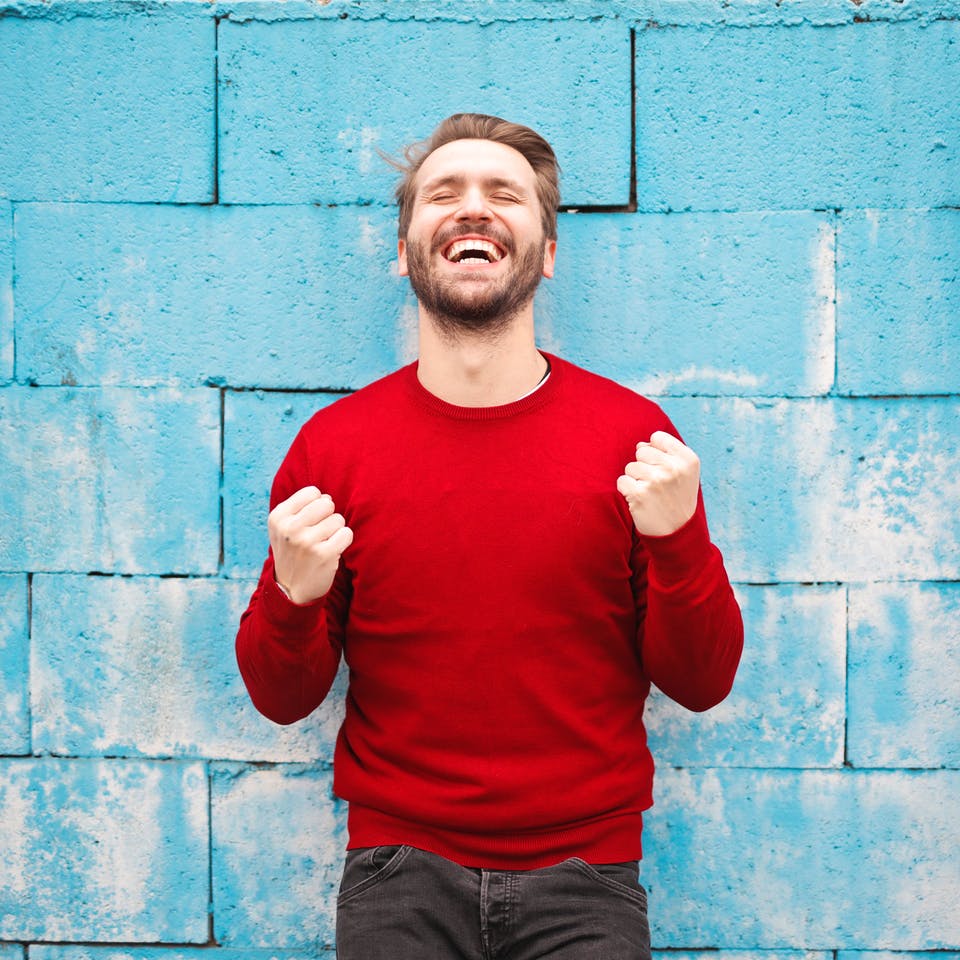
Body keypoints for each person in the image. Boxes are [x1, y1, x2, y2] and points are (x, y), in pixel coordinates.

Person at [236, 113, 743, 960]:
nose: (473, 209)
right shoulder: (333, 449)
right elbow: (282, 698)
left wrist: (681, 541)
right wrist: (294, 596)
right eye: (445, 194)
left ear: (545, 253)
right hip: (397, 875)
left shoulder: (634, 439)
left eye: (503, 194)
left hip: (590, 878)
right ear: (406, 249)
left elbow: (702, 682)